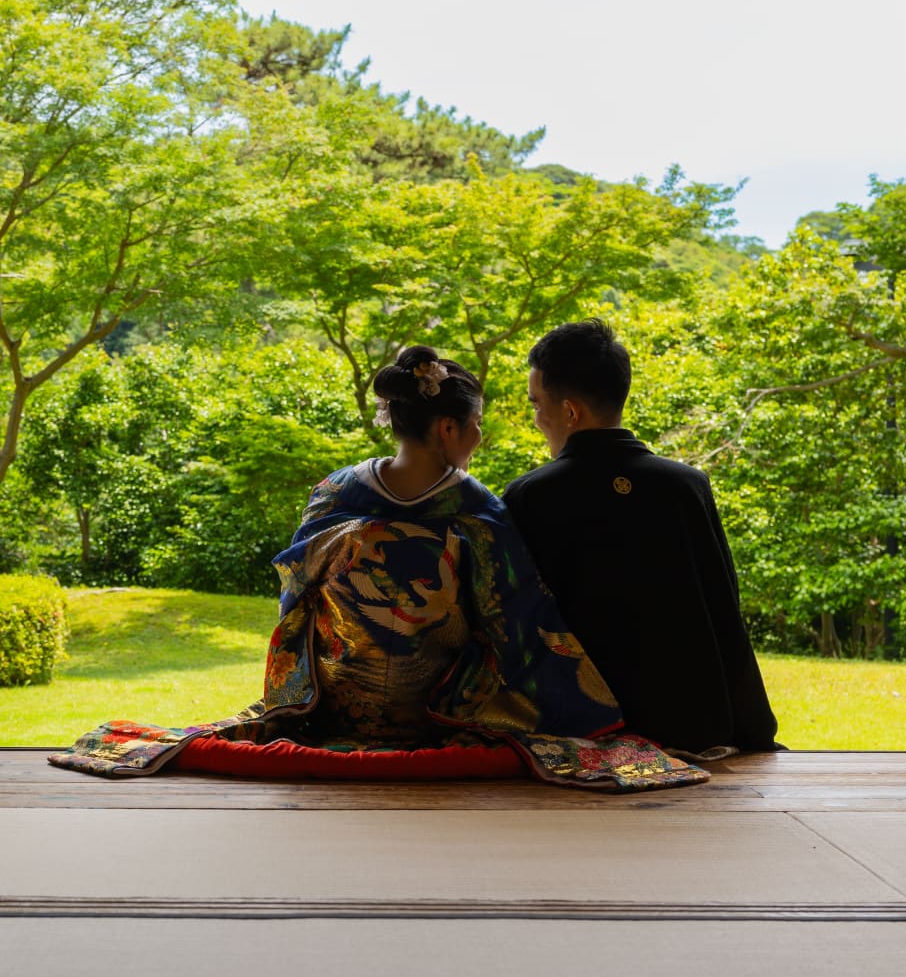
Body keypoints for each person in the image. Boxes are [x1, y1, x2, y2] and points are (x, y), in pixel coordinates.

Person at [48, 345, 708, 792]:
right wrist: (595, 720)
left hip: (332, 706)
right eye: (475, 425)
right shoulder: (476, 509)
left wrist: (293, 689)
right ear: (449, 429)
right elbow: (522, 623)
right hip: (440, 716)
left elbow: (296, 604)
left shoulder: (335, 494)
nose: (481, 439)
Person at [502, 320, 779, 755]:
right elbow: (724, 608)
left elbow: (515, 625)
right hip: (690, 728)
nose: (537, 418)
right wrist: (751, 729)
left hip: (580, 732)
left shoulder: (531, 496)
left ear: (570, 411)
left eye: (537, 404)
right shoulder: (688, 485)